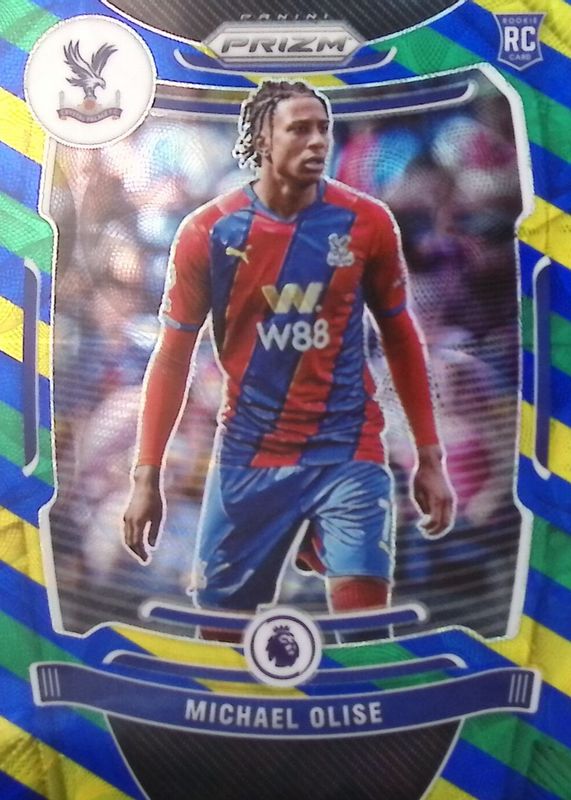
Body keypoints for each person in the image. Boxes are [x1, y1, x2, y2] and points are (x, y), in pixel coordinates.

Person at [123, 80, 455, 625]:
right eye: (300, 129)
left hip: (348, 451)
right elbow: (173, 356)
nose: (317, 141)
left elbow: (401, 337)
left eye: (323, 128)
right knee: (222, 634)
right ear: (262, 139)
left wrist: (430, 458)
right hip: (249, 456)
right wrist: (146, 477)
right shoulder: (208, 232)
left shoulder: (367, 222)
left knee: (364, 627)